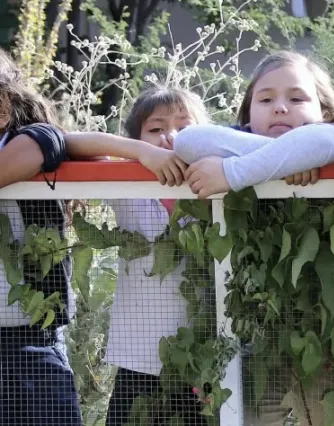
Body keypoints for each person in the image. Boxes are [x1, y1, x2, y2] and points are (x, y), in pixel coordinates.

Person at [66, 85, 209, 425]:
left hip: (205, 359)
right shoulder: (128, 191)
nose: (170, 136)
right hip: (138, 359)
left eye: (183, 127)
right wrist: (140, 154)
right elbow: (68, 144)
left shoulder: (218, 187)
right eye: (155, 129)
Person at [0, 48, 82, 425]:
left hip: (30, 340)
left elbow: (58, 140)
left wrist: (142, 151)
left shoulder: (29, 141)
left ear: (4, 107)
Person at [172, 51, 334, 199]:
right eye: (266, 100)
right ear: (248, 112)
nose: (279, 108)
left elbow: (327, 141)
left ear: (325, 112)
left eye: (296, 99)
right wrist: (297, 159)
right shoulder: (238, 135)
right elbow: (187, 140)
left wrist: (231, 173)